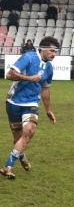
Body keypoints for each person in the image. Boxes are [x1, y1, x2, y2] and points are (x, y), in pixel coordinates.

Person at [0, 36, 60, 180]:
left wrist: (48, 110)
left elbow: (45, 89)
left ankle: (7, 166)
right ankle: (22, 156)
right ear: (42, 49)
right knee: (18, 138)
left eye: (56, 52)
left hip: (32, 103)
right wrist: (29, 78)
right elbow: (9, 75)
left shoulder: (49, 68)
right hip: (13, 102)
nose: (54, 54)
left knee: (29, 131)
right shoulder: (29, 57)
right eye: (52, 51)